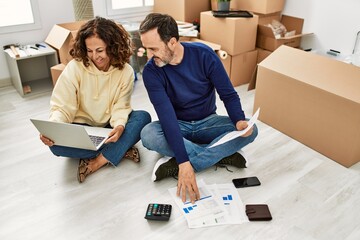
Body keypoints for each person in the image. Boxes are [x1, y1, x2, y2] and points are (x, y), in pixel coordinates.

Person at [139, 13, 258, 203]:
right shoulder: (152, 72)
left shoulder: (205, 55)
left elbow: (228, 94)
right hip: (178, 126)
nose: (149, 56)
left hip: (207, 122)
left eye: (153, 49)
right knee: (149, 134)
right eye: (146, 49)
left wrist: (239, 120)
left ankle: (178, 161)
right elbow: (167, 117)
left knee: (251, 130)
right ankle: (219, 155)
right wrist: (184, 163)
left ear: (172, 42)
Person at [40, 16, 151, 183]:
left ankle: (98, 161)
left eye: (99, 50)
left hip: (109, 126)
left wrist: (120, 126)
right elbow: (62, 106)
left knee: (143, 118)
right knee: (55, 146)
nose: (94, 56)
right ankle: (120, 149)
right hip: (82, 127)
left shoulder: (125, 71)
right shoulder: (75, 67)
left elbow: (121, 106)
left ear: (112, 46)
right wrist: (54, 128)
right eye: (89, 51)